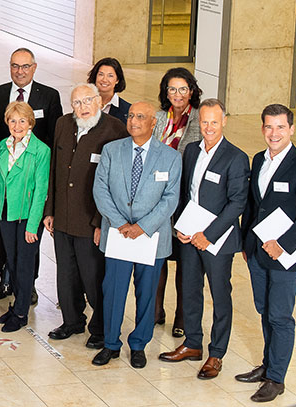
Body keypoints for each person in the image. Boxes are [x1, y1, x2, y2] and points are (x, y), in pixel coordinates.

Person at [158, 98, 249, 380]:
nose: (208, 127)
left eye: (214, 121)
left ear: (224, 122)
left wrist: (207, 235)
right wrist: (181, 227)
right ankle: (193, 343)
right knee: (190, 290)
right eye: (204, 121)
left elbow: (237, 204)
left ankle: (217, 353)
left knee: (220, 296)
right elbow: (186, 193)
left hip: (216, 241)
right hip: (189, 236)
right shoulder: (191, 151)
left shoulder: (236, 157)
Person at [91, 101, 181, 368]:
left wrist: (142, 227)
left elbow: (170, 199)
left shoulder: (171, 157)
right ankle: (110, 344)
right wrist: (120, 223)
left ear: (154, 123)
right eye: (131, 116)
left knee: (147, 294)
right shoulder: (111, 150)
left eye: (141, 117)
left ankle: (139, 344)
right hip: (118, 234)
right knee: (113, 291)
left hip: (151, 238)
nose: (133, 121)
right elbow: (101, 190)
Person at [237, 104, 296, 403]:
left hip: (287, 256)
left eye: (280, 127)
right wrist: (246, 243)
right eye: (269, 127)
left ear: (292, 129)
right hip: (258, 251)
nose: (274, 133)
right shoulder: (258, 160)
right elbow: (253, 206)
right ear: (262, 129)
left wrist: (282, 243)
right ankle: (268, 364)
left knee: (280, 316)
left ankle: (276, 378)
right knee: (264, 310)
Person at [43, 83, 126, 349]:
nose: (83, 107)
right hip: (63, 216)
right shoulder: (63, 124)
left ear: (99, 101)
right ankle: (72, 321)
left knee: (93, 276)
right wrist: (50, 210)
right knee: (66, 274)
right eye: (77, 103)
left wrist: (102, 222)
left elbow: (116, 183)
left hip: (91, 220)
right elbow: (55, 170)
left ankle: (100, 329)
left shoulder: (114, 130)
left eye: (88, 100)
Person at [0, 48, 63, 303]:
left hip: (31, 182)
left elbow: (54, 136)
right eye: (15, 66)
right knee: (3, 239)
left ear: (35, 67)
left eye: (25, 66)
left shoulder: (49, 96)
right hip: (6, 183)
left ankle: (28, 285)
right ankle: (4, 279)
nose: (20, 71)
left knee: (30, 242)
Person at [152, 67, 203, 338]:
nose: (177, 94)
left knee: (185, 263)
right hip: (160, 198)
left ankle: (181, 316)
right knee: (159, 258)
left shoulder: (199, 118)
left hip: (187, 200)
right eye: (172, 89)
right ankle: (156, 311)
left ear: (191, 91)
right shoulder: (159, 118)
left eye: (183, 89)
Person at [0, 101, 49, 332]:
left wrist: (33, 225)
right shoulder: (2, 146)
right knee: (12, 262)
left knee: (24, 265)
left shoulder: (41, 150)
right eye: (13, 120)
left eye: (22, 121)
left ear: (31, 123)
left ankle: (21, 312)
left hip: (27, 217)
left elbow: (41, 190)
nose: (17, 125)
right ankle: (16, 303)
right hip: (6, 212)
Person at [87, 57, 130, 123]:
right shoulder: (84, 103)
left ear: (117, 80)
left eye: (110, 76)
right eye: (101, 74)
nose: (104, 79)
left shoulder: (127, 109)